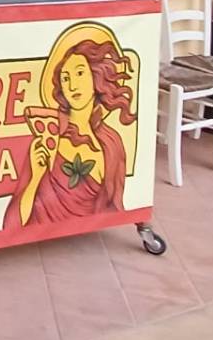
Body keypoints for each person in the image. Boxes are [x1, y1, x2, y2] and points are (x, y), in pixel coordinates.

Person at [12, 33, 136, 228]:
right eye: (65, 78)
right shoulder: (49, 137)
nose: (72, 85)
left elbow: (113, 205)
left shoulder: (111, 143)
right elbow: (14, 222)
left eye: (79, 73)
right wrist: (36, 177)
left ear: (96, 77)